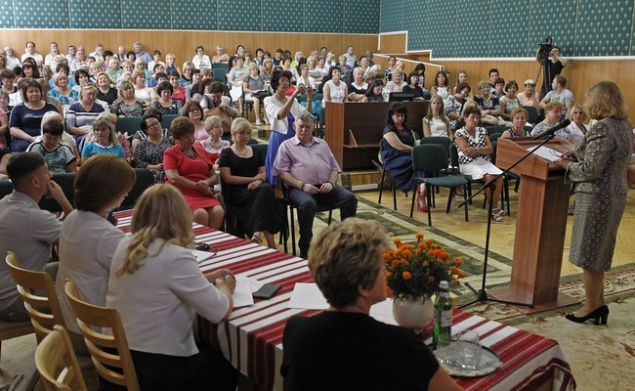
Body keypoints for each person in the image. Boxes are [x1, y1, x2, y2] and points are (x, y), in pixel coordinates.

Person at [281, 218, 463, 391]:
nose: (386, 274)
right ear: (363, 287)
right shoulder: (402, 345)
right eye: (381, 267)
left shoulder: (296, 331)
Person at [106, 184, 237, 390]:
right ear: (180, 216)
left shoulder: (126, 243)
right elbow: (219, 310)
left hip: (117, 353)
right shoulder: (175, 256)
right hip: (154, 365)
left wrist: (204, 277)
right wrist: (225, 286)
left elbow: (155, 277)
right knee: (226, 366)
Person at [553, 81, 631, 325]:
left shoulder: (603, 128)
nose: (586, 104)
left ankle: (590, 307)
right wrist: (576, 153)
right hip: (616, 194)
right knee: (600, 252)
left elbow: (591, 169)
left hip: (597, 197)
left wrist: (567, 165)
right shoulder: (624, 125)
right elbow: (607, 156)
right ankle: (599, 303)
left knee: (589, 254)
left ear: (598, 101)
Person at [56, 154, 135, 353]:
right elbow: (143, 277)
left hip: (70, 321)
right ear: (110, 193)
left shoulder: (73, 217)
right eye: (124, 190)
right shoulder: (105, 235)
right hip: (93, 334)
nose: (127, 193)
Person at [0, 152, 73, 322]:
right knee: (81, 293)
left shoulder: (4, 202)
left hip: (4, 290)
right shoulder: (35, 218)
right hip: (15, 302)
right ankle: (69, 345)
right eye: (47, 172)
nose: (51, 176)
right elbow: (77, 238)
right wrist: (63, 200)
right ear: (36, 181)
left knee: (58, 269)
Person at [273, 112, 357, 259]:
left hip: (326, 186)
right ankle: (306, 246)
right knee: (307, 204)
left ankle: (346, 241)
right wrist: (302, 185)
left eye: (307, 127)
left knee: (350, 198)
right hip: (299, 188)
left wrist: (331, 183)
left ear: (313, 128)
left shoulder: (322, 144)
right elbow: (281, 173)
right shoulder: (286, 146)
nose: (304, 130)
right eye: (300, 127)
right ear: (294, 126)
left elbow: (334, 168)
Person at [218, 118, 286, 247]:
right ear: (233, 134)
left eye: (248, 133)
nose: (245, 136)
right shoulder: (226, 153)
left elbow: (264, 173)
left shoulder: (256, 151)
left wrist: (258, 181)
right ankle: (270, 244)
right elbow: (228, 178)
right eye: (242, 133)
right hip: (236, 193)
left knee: (265, 190)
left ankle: (257, 234)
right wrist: (253, 179)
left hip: (255, 190)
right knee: (266, 195)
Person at [164, 117, 224, 229]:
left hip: (203, 191)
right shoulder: (170, 153)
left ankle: (209, 243)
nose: (191, 139)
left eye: (192, 134)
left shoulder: (200, 150)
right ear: (177, 138)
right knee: (200, 214)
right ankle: (193, 244)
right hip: (182, 192)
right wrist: (197, 186)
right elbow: (173, 178)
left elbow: (214, 176)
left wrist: (205, 183)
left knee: (218, 211)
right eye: (185, 136)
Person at [454, 106, 505, 222]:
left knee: (500, 176)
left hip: (484, 162)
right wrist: (481, 149)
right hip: (467, 164)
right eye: (472, 117)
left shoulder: (482, 130)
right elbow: (466, 151)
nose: (475, 120)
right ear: (465, 118)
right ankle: (494, 208)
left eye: (477, 118)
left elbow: (490, 149)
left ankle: (492, 205)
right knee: (490, 177)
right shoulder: (459, 133)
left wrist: (476, 150)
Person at [264, 70, 312, 186]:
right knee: (279, 168)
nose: (286, 83)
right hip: (279, 138)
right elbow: (280, 115)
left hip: (293, 137)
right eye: (283, 81)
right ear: (275, 83)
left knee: (294, 168)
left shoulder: (292, 100)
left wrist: (309, 99)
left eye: (288, 81)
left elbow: (306, 116)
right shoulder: (269, 100)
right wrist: (294, 94)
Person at [381, 102, 424, 209]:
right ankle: (422, 188)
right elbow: (400, 147)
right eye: (397, 115)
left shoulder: (407, 128)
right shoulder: (388, 130)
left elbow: (414, 142)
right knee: (418, 161)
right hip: (394, 158)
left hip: (409, 155)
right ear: (391, 115)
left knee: (423, 161)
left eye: (402, 115)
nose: (400, 118)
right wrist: (416, 151)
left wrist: (417, 150)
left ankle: (422, 189)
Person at [9, 79, 59, 152]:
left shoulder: (51, 107)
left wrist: (45, 138)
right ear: (25, 93)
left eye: (37, 91)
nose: (35, 94)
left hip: (48, 137)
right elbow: (13, 129)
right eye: (31, 91)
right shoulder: (18, 108)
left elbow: (58, 125)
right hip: (24, 138)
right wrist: (31, 139)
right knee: (24, 147)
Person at [134, 113, 174, 182]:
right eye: (152, 125)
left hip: (172, 171)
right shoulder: (142, 146)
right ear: (146, 130)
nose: (156, 126)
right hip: (151, 175)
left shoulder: (171, 141)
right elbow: (139, 163)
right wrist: (156, 167)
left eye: (157, 123)